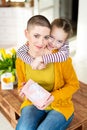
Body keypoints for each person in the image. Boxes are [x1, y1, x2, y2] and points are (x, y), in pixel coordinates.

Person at [16, 15, 79, 130]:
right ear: (27, 34)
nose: (41, 42)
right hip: (33, 103)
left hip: (59, 106)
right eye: (36, 36)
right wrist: (22, 89)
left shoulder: (61, 58)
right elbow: (21, 83)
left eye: (45, 37)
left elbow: (74, 85)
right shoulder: (21, 58)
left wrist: (53, 97)